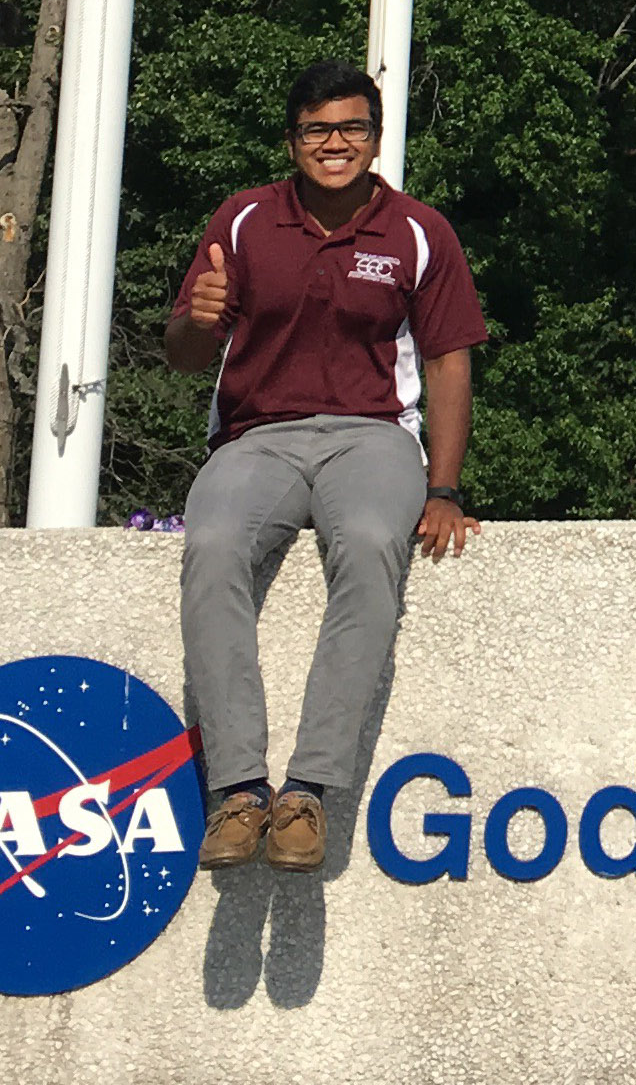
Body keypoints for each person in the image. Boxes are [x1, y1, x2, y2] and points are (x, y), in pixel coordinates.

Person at [164, 60, 487, 874]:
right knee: (210, 548)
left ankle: (308, 791)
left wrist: (444, 488)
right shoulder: (243, 220)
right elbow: (185, 353)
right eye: (317, 129)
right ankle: (238, 791)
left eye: (352, 128)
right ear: (293, 139)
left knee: (376, 542)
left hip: (373, 436)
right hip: (257, 435)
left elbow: (450, 363)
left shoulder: (419, 231)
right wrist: (198, 322)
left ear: (375, 140)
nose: (335, 143)